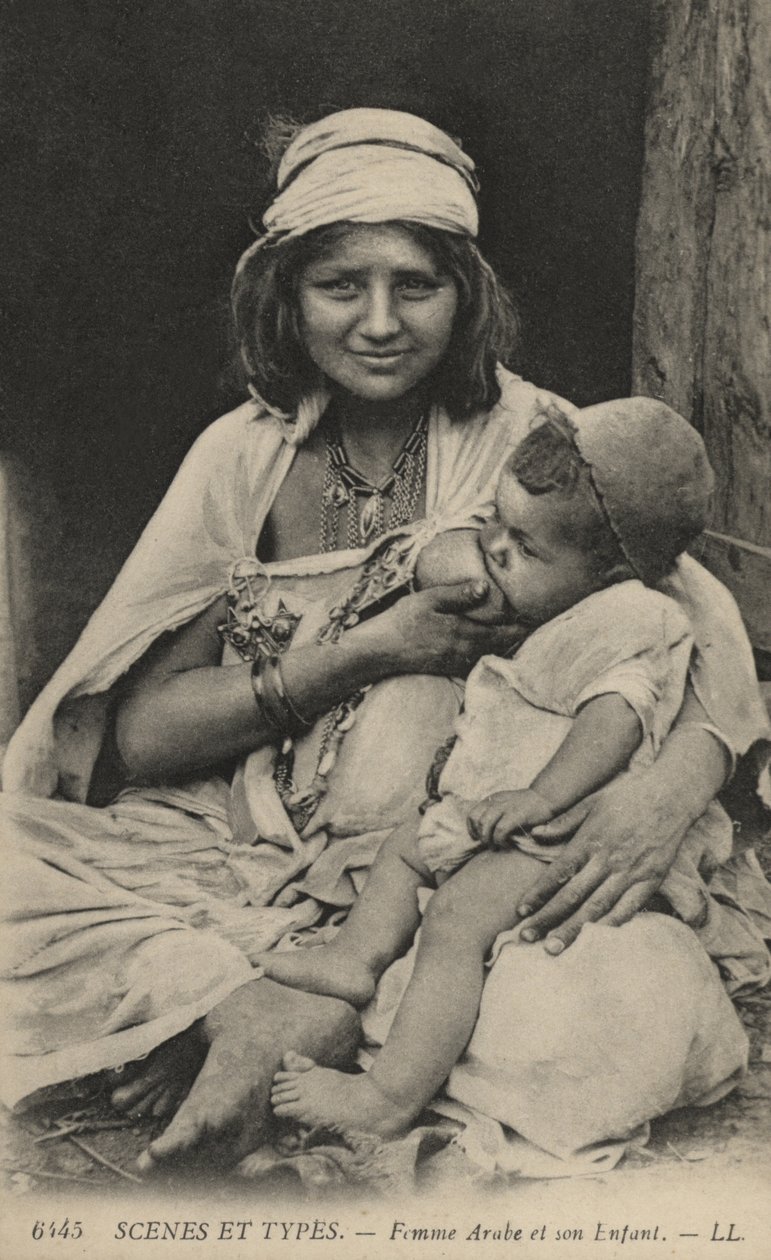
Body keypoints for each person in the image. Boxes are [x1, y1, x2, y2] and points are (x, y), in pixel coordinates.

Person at [1, 108, 768, 1177]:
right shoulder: (243, 458)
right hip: (244, 841)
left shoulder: (539, 444)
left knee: (578, 998)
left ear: (468, 294)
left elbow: (700, 629)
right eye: (339, 285)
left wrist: (661, 795)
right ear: (285, 297)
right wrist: (373, 647)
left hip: (440, 848)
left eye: (417, 284)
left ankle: (264, 1030)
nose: (378, 322)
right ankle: (243, 1014)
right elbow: (143, 736)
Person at [264, 397, 736, 1137]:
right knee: (403, 851)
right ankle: (355, 957)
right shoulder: (564, 603)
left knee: (455, 920)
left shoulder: (634, 620)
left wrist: (540, 797)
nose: (494, 547)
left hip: (557, 827)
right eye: (497, 521)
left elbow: (616, 718)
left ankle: (387, 1096)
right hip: (493, 810)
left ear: (609, 569)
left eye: (524, 546)